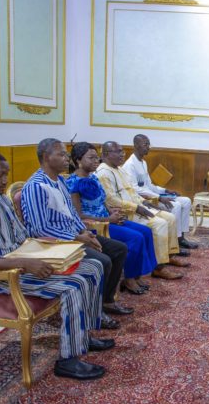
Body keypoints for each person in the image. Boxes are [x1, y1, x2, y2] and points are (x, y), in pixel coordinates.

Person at [0, 150, 113, 380]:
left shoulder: (1, 200)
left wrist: (56, 251)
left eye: (6, 174)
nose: (5, 181)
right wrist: (22, 262)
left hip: (21, 265)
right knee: (74, 285)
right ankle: (68, 361)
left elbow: (23, 238)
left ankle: (82, 336)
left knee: (93, 267)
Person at [21, 138, 132, 331]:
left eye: (66, 154)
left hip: (74, 236)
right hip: (55, 244)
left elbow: (72, 213)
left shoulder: (59, 181)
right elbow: (39, 229)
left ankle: (106, 301)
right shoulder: (36, 186)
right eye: (61, 154)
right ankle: (94, 312)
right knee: (103, 261)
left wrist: (84, 232)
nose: (67, 158)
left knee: (119, 249)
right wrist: (77, 238)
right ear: (46, 157)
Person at [67, 142, 164, 294]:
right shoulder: (73, 183)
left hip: (108, 218)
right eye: (91, 158)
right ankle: (129, 279)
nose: (96, 161)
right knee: (135, 238)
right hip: (95, 225)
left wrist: (111, 211)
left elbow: (103, 200)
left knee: (146, 231)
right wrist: (108, 220)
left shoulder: (93, 177)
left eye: (97, 158)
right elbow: (78, 215)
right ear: (78, 160)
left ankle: (137, 274)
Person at [95, 141, 189, 278]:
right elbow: (111, 200)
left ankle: (168, 257)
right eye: (118, 152)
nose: (122, 154)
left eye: (122, 151)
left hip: (138, 206)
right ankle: (158, 267)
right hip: (125, 212)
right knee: (160, 224)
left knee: (170, 218)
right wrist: (137, 207)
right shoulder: (103, 173)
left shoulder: (119, 169)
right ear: (106, 154)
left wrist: (146, 202)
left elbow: (133, 192)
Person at [123, 134, 198, 250]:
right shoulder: (130, 165)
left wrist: (165, 190)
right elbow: (135, 190)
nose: (148, 147)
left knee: (186, 201)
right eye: (145, 144)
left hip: (154, 195)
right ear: (136, 145)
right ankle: (174, 243)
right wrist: (159, 197)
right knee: (175, 205)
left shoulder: (143, 162)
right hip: (145, 200)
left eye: (149, 144)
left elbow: (149, 185)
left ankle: (181, 238)